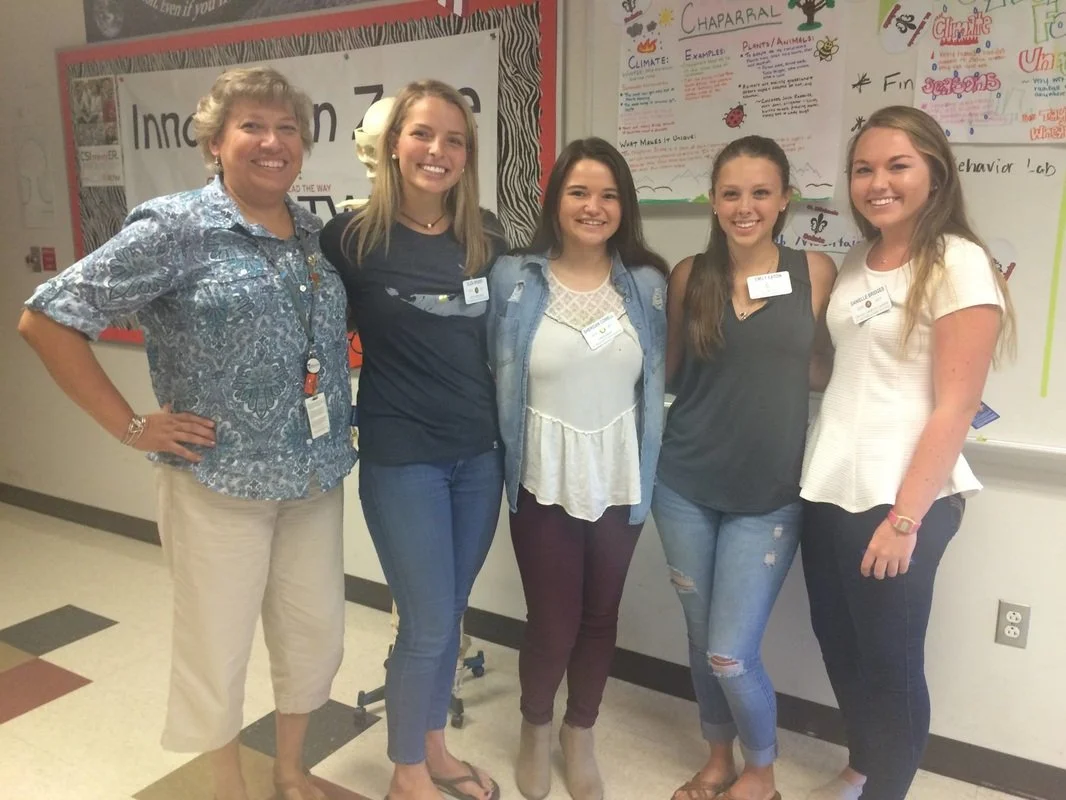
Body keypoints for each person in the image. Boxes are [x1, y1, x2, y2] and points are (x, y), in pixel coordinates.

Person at [18, 66, 355, 800]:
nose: (273, 141)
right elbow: (46, 319)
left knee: (313, 636)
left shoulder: (311, 233)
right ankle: (227, 784)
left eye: (287, 127)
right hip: (216, 480)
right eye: (252, 126)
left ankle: (293, 771)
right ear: (214, 142)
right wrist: (131, 425)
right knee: (217, 647)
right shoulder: (175, 227)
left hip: (313, 477)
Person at [799, 106, 1014, 800]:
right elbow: (844, 373)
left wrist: (905, 518)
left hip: (901, 498)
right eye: (864, 169)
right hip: (829, 484)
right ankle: (862, 767)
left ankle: (885, 788)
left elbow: (954, 406)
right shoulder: (857, 261)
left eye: (897, 166)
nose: (877, 182)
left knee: (890, 663)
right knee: (841, 645)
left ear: (935, 173)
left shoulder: (958, 261)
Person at [318, 79, 506, 800]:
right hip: (403, 460)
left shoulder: (483, 236)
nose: (438, 150)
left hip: (478, 456)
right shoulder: (351, 237)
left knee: (446, 618)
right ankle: (406, 777)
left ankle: (432, 749)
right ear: (393, 146)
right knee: (426, 620)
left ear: (467, 154)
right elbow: (306, 332)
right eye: (423, 134)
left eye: (454, 139)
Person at [650, 135, 835, 800]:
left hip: (769, 496)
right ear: (713, 200)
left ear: (785, 199)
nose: (745, 205)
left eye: (761, 192)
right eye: (732, 192)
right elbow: (669, 370)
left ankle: (762, 770)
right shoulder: (687, 276)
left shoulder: (815, 271)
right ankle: (718, 758)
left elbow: (822, 366)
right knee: (703, 639)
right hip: (684, 486)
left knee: (730, 649)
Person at [488, 137, 669, 800]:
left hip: (620, 471)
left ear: (625, 206)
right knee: (553, 620)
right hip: (542, 472)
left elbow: (660, 380)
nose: (593, 207)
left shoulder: (647, 285)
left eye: (608, 194)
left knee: (600, 615)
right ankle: (535, 726)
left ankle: (579, 729)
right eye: (579, 192)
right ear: (556, 200)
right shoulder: (516, 278)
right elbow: (492, 370)